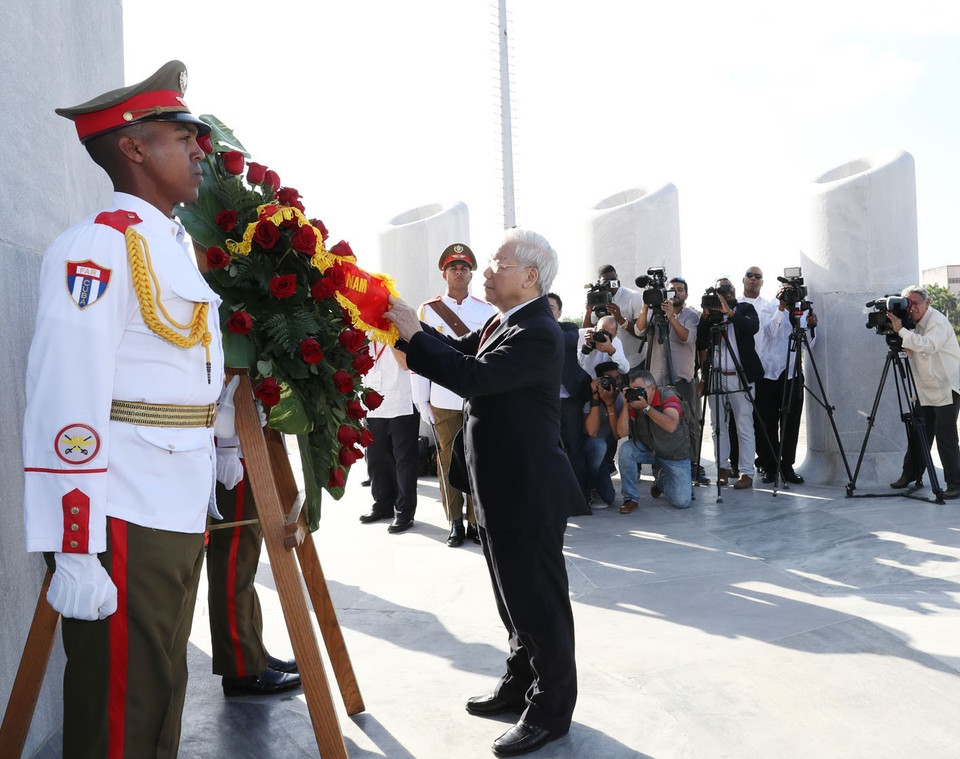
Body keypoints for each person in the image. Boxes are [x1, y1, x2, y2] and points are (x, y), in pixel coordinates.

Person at [22, 61, 223, 757]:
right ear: (133, 148)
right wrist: (73, 545)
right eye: (182, 134)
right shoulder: (99, 247)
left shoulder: (169, 243)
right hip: (123, 506)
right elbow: (64, 401)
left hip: (172, 498)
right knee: (121, 709)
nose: (200, 149)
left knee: (161, 690)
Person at [384, 228, 579, 757]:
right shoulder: (502, 321)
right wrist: (406, 329)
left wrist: (410, 329)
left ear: (530, 276)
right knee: (512, 601)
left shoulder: (541, 331)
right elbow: (452, 352)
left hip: (527, 491)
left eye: (496, 264)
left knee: (540, 605)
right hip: (495, 488)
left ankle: (552, 709)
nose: (485, 272)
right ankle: (521, 684)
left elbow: (473, 376)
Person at [207, 390, 302, 696]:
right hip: (232, 444)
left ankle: (251, 650)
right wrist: (227, 445)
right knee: (233, 559)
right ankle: (241, 667)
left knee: (244, 559)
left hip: (243, 436)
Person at [411, 243, 496, 546]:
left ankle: (476, 521)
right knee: (448, 461)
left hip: (477, 397)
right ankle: (455, 521)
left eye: (464, 268)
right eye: (453, 268)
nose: (459, 273)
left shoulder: (487, 311)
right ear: (444, 274)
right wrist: (421, 400)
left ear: (471, 274)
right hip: (443, 397)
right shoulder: (428, 309)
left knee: (478, 460)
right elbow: (420, 357)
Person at [887, 286, 960, 498]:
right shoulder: (914, 323)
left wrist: (901, 331)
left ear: (927, 303)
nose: (912, 308)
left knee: (946, 438)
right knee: (919, 434)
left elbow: (927, 346)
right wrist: (901, 332)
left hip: (947, 386)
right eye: (908, 304)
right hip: (926, 387)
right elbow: (913, 350)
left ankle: (955, 484)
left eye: (916, 303)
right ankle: (910, 474)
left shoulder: (936, 321)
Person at [697, 277, 763, 489]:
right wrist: (706, 318)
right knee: (717, 426)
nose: (726, 294)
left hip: (740, 375)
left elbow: (752, 327)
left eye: (729, 290)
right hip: (716, 375)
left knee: (744, 425)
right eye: (721, 291)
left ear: (734, 291)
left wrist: (730, 313)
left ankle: (746, 472)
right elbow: (700, 342)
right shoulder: (710, 316)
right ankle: (722, 468)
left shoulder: (744, 309)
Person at [636, 276, 703, 481]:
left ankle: (694, 465)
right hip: (657, 380)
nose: (675, 292)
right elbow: (639, 330)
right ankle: (660, 466)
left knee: (690, 422)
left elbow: (687, 338)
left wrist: (671, 317)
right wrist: (646, 308)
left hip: (682, 379)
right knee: (657, 423)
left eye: (679, 289)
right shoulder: (655, 313)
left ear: (686, 294)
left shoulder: (691, 316)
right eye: (672, 289)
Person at [754, 283, 819, 484]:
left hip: (791, 373)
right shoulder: (770, 307)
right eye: (786, 290)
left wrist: (811, 326)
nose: (791, 295)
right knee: (767, 422)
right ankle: (769, 466)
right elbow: (770, 333)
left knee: (791, 421)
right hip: (769, 373)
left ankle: (787, 466)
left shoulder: (803, 309)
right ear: (779, 291)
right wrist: (781, 308)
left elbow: (810, 345)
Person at [359, 341, 421, 532]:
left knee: (404, 460)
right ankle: (383, 505)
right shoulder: (363, 328)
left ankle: (404, 512)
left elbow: (406, 363)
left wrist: (388, 337)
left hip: (402, 401)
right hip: (373, 402)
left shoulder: (399, 328)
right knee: (376, 457)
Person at [615, 370, 693, 512]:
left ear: (652, 388)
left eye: (639, 390)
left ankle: (661, 481)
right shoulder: (634, 403)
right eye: (632, 390)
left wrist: (646, 408)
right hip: (649, 449)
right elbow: (622, 432)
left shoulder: (667, 397)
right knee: (626, 450)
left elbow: (670, 425)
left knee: (682, 501)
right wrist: (626, 405)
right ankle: (630, 499)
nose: (636, 394)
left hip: (674, 454)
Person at [549, 292, 593, 511]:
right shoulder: (530, 333)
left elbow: (568, 339)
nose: (548, 312)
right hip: (544, 404)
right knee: (548, 451)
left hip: (568, 402)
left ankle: (580, 498)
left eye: (551, 307)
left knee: (575, 449)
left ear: (559, 312)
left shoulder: (567, 329)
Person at [583, 264, 645, 369]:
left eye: (614, 280)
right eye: (607, 281)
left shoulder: (633, 297)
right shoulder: (595, 298)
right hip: (606, 363)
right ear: (599, 282)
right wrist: (588, 312)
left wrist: (619, 318)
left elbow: (641, 334)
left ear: (617, 277)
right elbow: (586, 331)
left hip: (632, 361)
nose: (612, 284)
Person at [583, 361, 624, 508]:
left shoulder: (620, 398)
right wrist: (595, 398)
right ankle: (591, 489)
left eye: (617, 378)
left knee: (609, 498)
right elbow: (592, 433)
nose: (615, 383)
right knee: (598, 444)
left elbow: (617, 434)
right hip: (586, 450)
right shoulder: (589, 396)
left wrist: (610, 403)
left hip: (601, 458)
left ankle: (599, 478)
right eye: (609, 379)